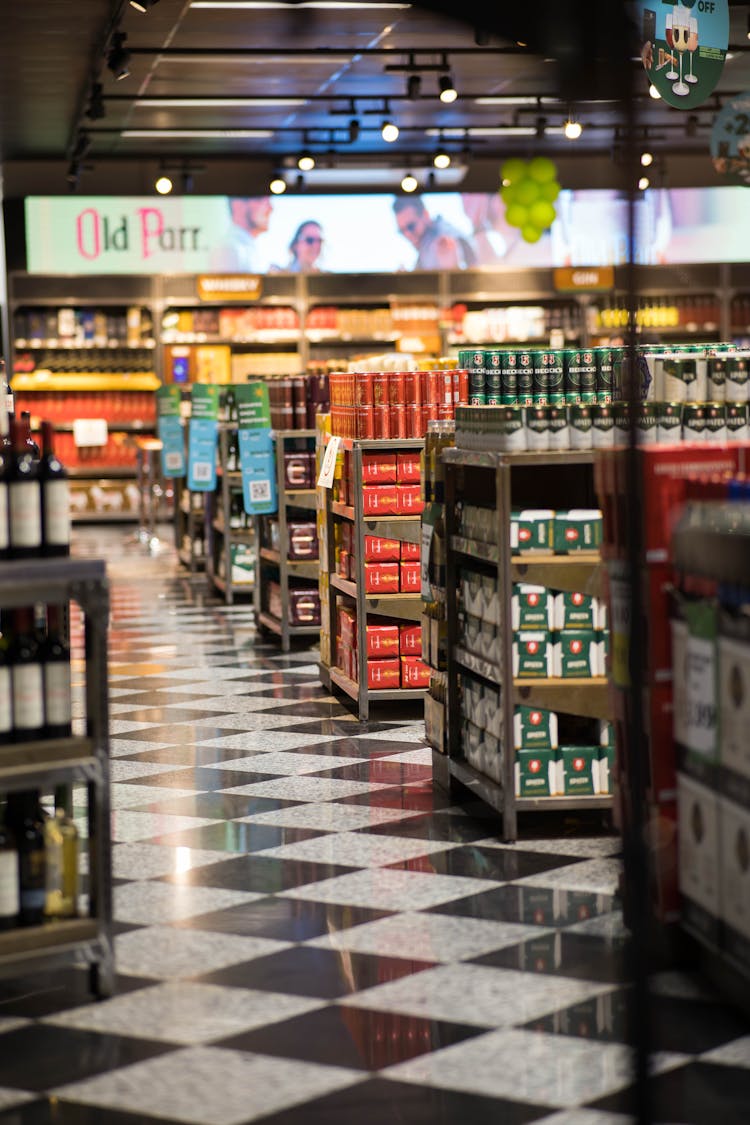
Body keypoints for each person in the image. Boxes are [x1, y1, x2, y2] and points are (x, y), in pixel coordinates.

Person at [393, 196, 477, 270]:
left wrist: (454, 266)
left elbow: (468, 261)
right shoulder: (423, 249)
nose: (407, 235)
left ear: (425, 215)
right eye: (402, 231)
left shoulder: (443, 237)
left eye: (411, 226)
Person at [209, 196, 273, 272]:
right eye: (260, 200)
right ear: (238, 204)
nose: (270, 208)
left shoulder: (249, 248)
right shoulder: (229, 249)